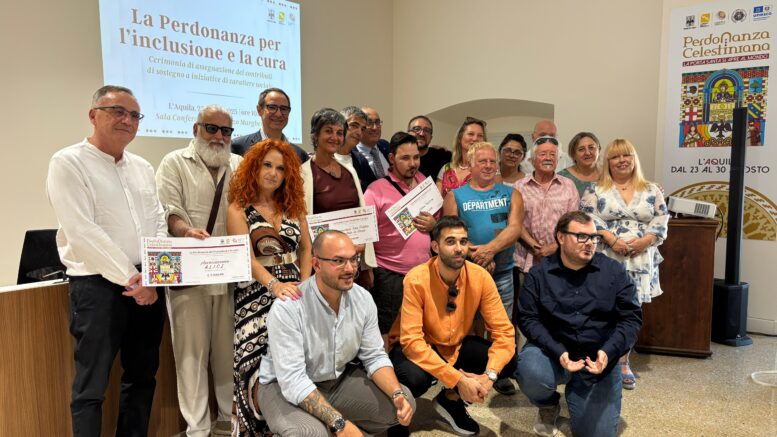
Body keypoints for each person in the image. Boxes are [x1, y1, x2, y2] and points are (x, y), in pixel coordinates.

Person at [46, 85, 167, 437]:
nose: (127, 120)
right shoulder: (68, 162)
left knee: (142, 377)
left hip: (148, 283)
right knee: (91, 386)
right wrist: (132, 278)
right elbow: (82, 231)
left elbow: (157, 221)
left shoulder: (142, 167)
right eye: (117, 111)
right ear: (93, 115)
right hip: (97, 286)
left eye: (134, 115)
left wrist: (152, 276)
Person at [257, 231, 416, 436]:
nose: (349, 268)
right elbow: (293, 380)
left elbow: (374, 356)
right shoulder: (288, 307)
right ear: (316, 264)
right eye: (338, 261)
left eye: (353, 259)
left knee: (404, 401)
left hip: (335, 381)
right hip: (281, 387)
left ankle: (331, 425)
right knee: (310, 434)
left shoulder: (363, 299)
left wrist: (396, 394)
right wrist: (339, 423)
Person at [155, 104, 241, 437]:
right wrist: (185, 231)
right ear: (196, 129)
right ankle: (197, 428)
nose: (219, 136)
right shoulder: (173, 162)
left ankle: (227, 421)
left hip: (229, 275)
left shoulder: (239, 165)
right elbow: (169, 211)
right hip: (189, 275)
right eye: (211, 128)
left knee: (228, 353)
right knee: (190, 356)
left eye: (226, 131)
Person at [516, 211, 642, 437]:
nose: (590, 243)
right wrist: (558, 351)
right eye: (581, 236)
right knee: (530, 370)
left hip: (598, 360)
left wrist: (609, 352)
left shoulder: (614, 271)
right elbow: (528, 318)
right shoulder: (539, 274)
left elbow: (631, 318)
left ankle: (582, 393)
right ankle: (548, 404)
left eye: (594, 237)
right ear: (561, 237)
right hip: (553, 353)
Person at [388, 216, 516, 436]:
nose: (459, 248)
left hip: (455, 345)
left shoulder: (480, 277)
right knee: (412, 378)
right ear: (435, 246)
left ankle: (450, 400)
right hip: (419, 348)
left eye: (463, 241)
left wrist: (489, 377)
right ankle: (397, 417)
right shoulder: (416, 278)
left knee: (508, 361)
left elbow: (504, 332)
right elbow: (412, 342)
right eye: (450, 242)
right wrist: (458, 379)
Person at [226, 138, 313, 435]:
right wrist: (274, 286)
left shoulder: (294, 206)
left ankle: (293, 427)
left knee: (291, 362)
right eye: (267, 165)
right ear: (253, 167)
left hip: (295, 292)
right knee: (254, 364)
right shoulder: (239, 208)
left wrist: (305, 284)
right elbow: (245, 258)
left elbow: (306, 249)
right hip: (254, 294)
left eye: (280, 168)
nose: (273, 173)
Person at [580, 138, 668, 391]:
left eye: (626, 155)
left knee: (631, 310)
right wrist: (611, 239)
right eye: (615, 156)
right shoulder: (595, 189)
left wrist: (645, 241)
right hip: (607, 254)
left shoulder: (651, 189)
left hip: (642, 256)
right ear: (607, 162)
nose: (621, 161)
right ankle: (601, 356)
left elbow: (662, 218)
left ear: (634, 158)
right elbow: (587, 218)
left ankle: (623, 361)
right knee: (604, 308)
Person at [443, 141, 523, 395]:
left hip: (502, 273)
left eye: (492, 161)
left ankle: (500, 372)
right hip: (465, 273)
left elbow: (514, 228)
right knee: (465, 323)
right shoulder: (455, 196)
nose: (488, 166)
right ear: (470, 165)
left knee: (501, 325)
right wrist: (476, 256)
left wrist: (489, 250)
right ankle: (463, 372)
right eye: (482, 161)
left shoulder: (511, 194)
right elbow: (449, 234)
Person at [364, 132, 438, 346]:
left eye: (416, 157)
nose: (412, 163)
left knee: (421, 327)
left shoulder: (424, 183)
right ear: (391, 158)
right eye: (405, 158)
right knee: (386, 330)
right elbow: (366, 234)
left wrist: (434, 225)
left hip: (423, 271)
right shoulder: (375, 190)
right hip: (390, 274)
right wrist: (367, 269)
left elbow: (439, 220)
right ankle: (385, 366)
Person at [302, 108, 377, 287]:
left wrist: (366, 266)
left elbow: (361, 216)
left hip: (352, 263)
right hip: (322, 266)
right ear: (315, 135)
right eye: (328, 131)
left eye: (339, 133)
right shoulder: (302, 175)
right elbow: (302, 228)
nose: (334, 137)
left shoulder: (350, 171)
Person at [514, 136, 579, 275]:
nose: (548, 158)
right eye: (543, 154)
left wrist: (554, 246)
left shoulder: (569, 186)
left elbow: (573, 222)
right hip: (526, 258)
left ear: (557, 159)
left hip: (561, 258)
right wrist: (534, 246)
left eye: (552, 154)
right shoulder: (519, 186)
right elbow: (514, 221)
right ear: (532, 160)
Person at [230, 87, 309, 163]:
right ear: (259, 110)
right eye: (272, 107)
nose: (278, 114)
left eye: (284, 109)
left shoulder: (300, 155)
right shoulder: (237, 147)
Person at [436, 116, 487, 198]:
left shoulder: (489, 169)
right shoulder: (446, 169)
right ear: (460, 138)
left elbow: (499, 200)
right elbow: (436, 201)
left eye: (480, 135)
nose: (475, 138)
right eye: (471, 134)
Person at [335, 106, 377, 192]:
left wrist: (358, 182)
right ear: (339, 124)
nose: (359, 132)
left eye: (363, 129)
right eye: (354, 125)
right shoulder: (325, 157)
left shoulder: (360, 160)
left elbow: (374, 188)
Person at [557, 132, 601, 197]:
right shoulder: (561, 178)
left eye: (591, 147)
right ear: (573, 154)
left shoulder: (609, 174)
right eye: (581, 149)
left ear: (599, 150)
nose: (587, 153)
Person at [408, 115, 451, 180]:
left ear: (431, 138)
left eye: (427, 130)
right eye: (417, 129)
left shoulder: (444, 156)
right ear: (408, 134)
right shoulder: (398, 159)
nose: (422, 134)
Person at [355, 106, 391, 179]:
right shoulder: (352, 155)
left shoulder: (385, 146)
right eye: (369, 123)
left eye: (377, 122)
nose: (375, 128)